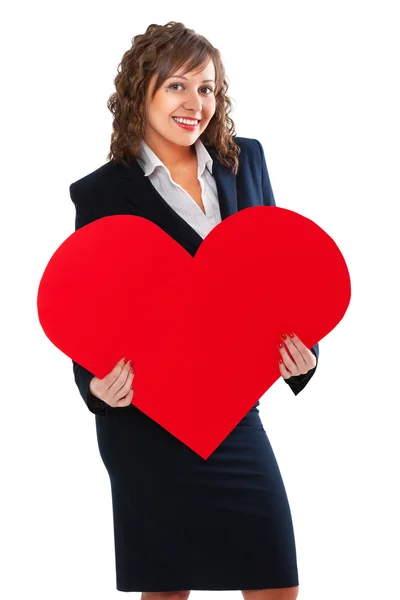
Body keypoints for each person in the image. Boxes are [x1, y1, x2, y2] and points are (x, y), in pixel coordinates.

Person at [70, 21, 319, 600]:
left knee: (276, 582)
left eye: (207, 88)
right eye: (178, 86)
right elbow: (87, 307)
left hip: (233, 410)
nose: (195, 103)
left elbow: (278, 275)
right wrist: (92, 383)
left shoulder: (244, 162)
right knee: (167, 591)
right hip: (147, 421)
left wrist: (302, 354)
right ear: (143, 91)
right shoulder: (102, 192)